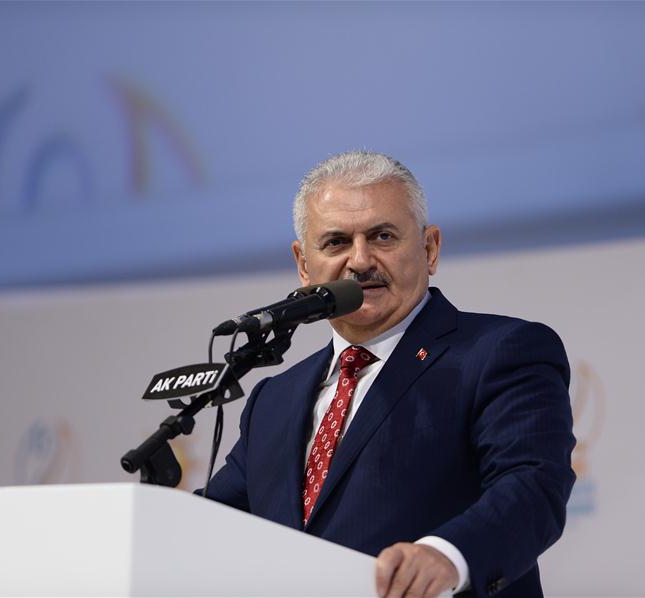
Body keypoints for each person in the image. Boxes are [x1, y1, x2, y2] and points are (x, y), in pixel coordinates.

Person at [201, 151, 575, 597]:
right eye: (336, 242)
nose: (360, 261)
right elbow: (216, 524)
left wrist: (448, 555)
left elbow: (533, 485)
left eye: (382, 236)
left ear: (430, 248)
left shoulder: (500, 352)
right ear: (304, 265)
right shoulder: (274, 400)